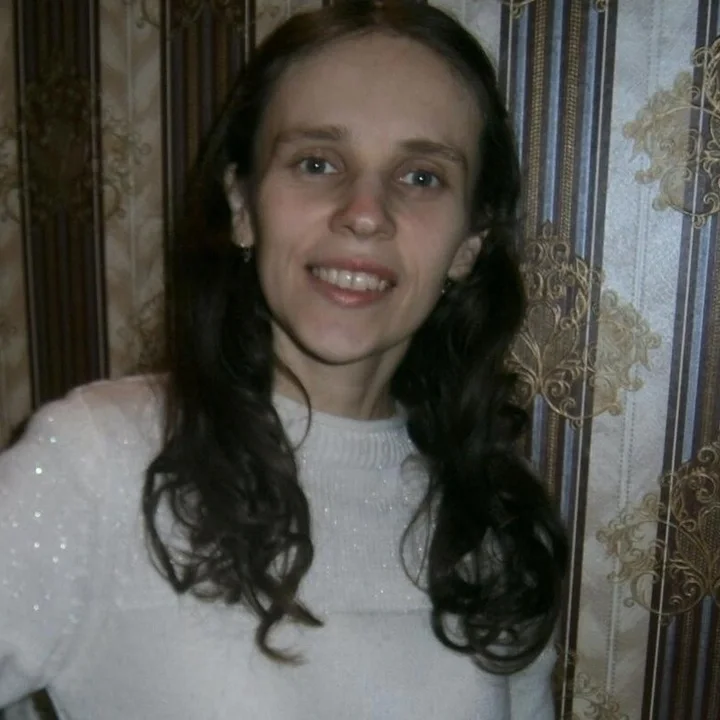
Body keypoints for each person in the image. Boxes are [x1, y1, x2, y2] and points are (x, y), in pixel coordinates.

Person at [0, 1, 568, 718]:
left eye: (421, 176)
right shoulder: (97, 463)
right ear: (243, 204)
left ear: (468, 243)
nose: (365, 213)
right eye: (317, 163)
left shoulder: (495, 518)